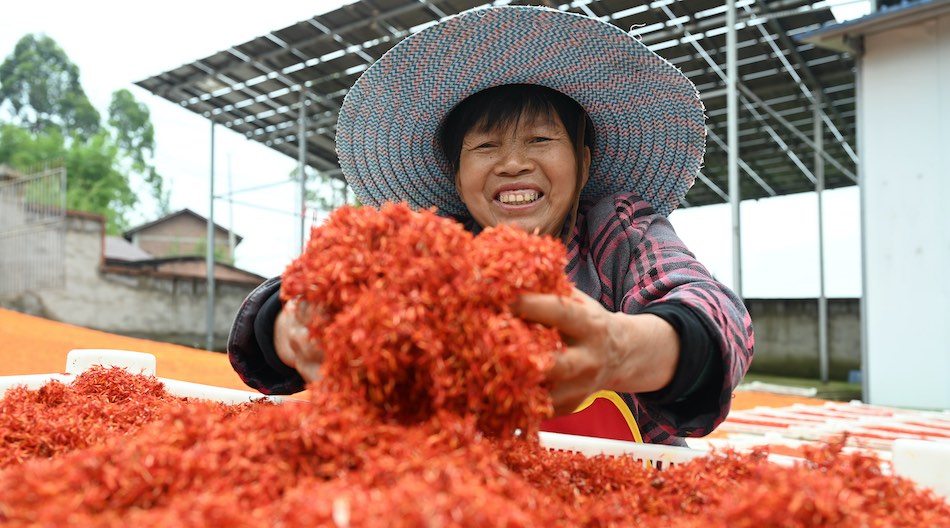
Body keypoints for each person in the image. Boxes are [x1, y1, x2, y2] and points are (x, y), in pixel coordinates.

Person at [228, 5, 754, 447]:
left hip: (626, 491)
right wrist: (290, 327)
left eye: (540, 141)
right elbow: (289, 306)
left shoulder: (617, 231)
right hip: (465, 493)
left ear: (584, 164)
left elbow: (713, 312)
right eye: (486, 147)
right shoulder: (432, 248)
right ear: (457, 179)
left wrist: (619, 346)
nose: (512, 164)